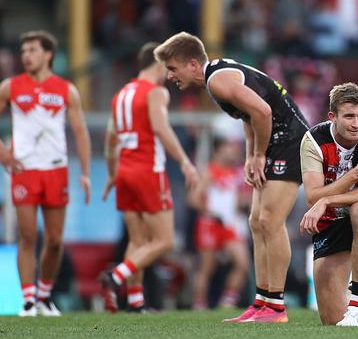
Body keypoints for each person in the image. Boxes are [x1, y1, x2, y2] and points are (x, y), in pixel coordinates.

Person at [154, 32, 309, 323]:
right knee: (256, 221)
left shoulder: (217, 80)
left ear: (191, 64)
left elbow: (263, 111)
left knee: (271, 222)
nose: (169, 75)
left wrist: (259, 155)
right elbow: (249, 116)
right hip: (276, 140)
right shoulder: (215, 79)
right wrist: (251, 156)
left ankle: (276, 307)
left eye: (172, 68)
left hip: (291, 141)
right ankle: (262, 302)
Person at [100, 42, 199, 313]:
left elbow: (110, 139)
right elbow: (162, 129)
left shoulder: (121, 94)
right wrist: (185, 162)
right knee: (163, 241)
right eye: (168, 66)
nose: (169, 74)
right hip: (148, 171)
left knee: (138, 241)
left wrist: (111, 173)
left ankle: (135, 302)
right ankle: (116, 276)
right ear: (158, 62)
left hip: (124, 171)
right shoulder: (155, 93)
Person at [0, 30, 91, 317]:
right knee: (27, 236)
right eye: (24, 51)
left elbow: (80, 131)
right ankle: (28, 300)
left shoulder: (66, 89)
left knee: (54, 239)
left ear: (48, 54)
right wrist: (2, 152)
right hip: (24, 170)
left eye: (32, 50)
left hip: (55, 169)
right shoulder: (10, 86)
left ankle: (44, 295)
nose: (26, 56)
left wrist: (86, 173)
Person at [299, 82, 358, 326]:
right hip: (331, 222)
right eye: (349, 116)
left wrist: (327, 199)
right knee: (331, 321)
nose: (356, 123)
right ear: (332, 117)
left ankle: (357, 303)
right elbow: (311, 196)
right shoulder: (313, 141)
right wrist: (355, 173)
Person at [188, 137, 250, 310]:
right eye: (228, 148)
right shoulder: (209, 172)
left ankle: (227, 302)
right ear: (218, 151)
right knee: (207, 268)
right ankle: (199, 305)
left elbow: (233, 201)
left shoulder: (233, 173)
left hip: (229, 225)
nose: (232, 151)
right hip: (210, 224)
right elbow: (193, 199)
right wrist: (212, 214)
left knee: (242, 263)